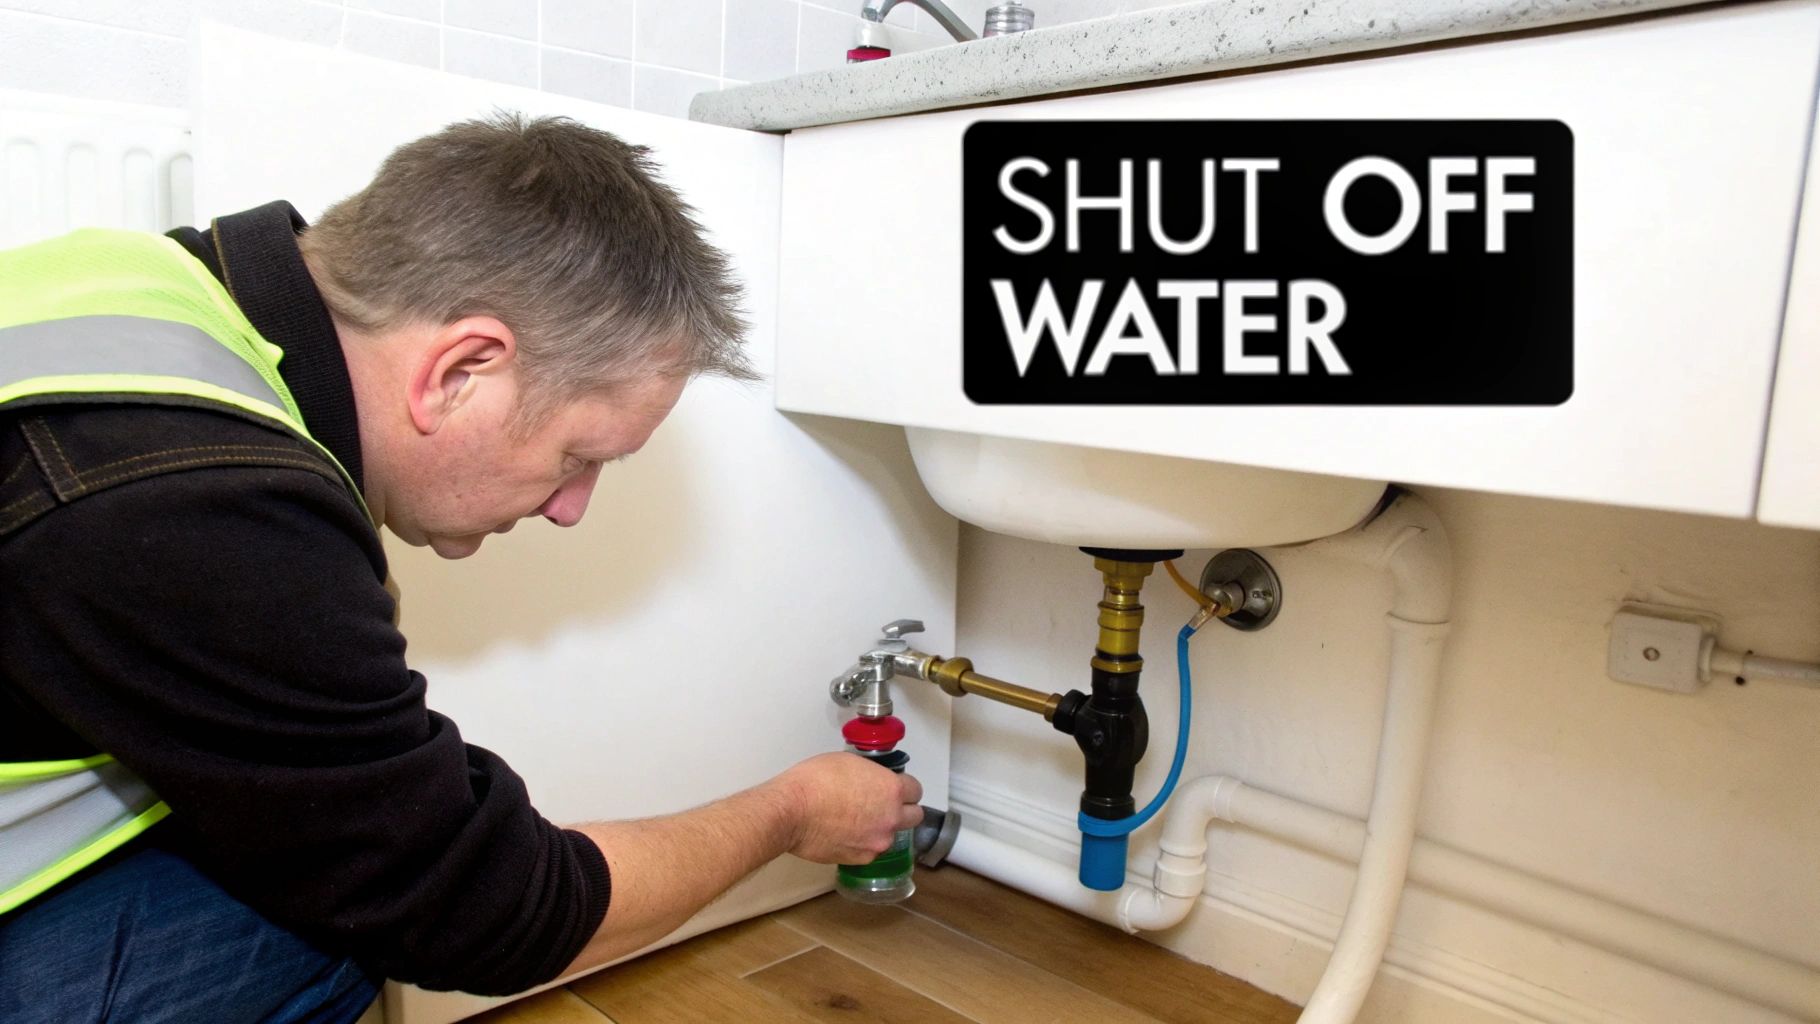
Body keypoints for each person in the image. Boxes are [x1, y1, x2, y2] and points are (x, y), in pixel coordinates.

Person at [0, 112, 921, 1022]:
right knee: (332, 923)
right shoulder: (202, 508)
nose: (571, 508)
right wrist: (789, 815)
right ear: (459, 370)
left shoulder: (150, 287)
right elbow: (482, 912)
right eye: (578, 456)